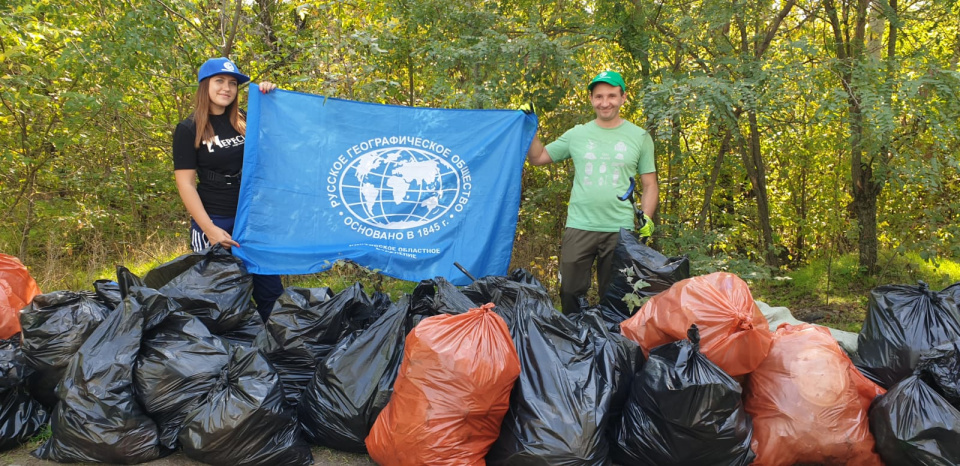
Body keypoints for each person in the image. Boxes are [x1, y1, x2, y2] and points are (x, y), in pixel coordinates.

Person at [525, 70, 659, 314]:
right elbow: (538, 157)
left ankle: (613, 346)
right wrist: (530, 128)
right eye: (599, 96)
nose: (605, 102)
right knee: (569, 292)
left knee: (617, 295)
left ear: (623, 97)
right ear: (591, 99)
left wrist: (646, 216)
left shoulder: (639, 137)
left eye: (611, 96)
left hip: (620, 229)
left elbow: (650, 184)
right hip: (580, 225)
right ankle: (575, 341)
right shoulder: (577, 134)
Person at [172, 57, 282, 322]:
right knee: (220, 303)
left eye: (232, 83)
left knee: (272, 294)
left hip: (251, 221)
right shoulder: (188, 129)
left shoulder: (242, 119)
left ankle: (277, 355)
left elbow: (276, 135)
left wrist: (268, 96)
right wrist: (209, 229)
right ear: (204, 85)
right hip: (215, 222)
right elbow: (185, 184)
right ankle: (222, 360)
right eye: (219, 81)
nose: (227, 88)